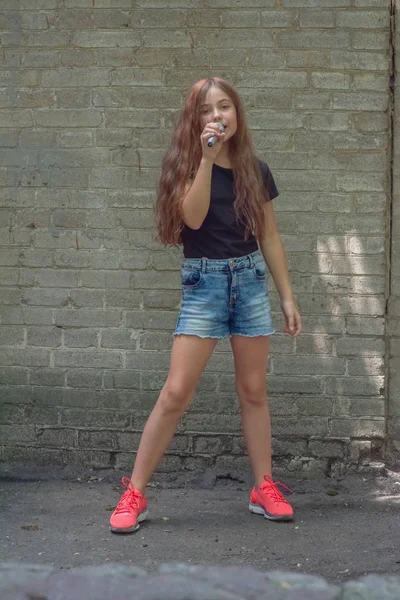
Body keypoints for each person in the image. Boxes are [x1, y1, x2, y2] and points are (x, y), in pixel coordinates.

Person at [109, 77, 302, 534]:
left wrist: (287, 297)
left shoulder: (256, 169)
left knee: (254, 390)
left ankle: (263, 486)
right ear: (194, 121)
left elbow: (270, 236)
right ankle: (135, 492)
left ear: (238, 113)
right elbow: (192, 218)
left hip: (250, 281)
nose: (218, 116)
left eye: (226, 107)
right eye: (207, 110)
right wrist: (208, 160)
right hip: (205, 283)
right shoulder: (185, 166)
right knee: (176, 392)